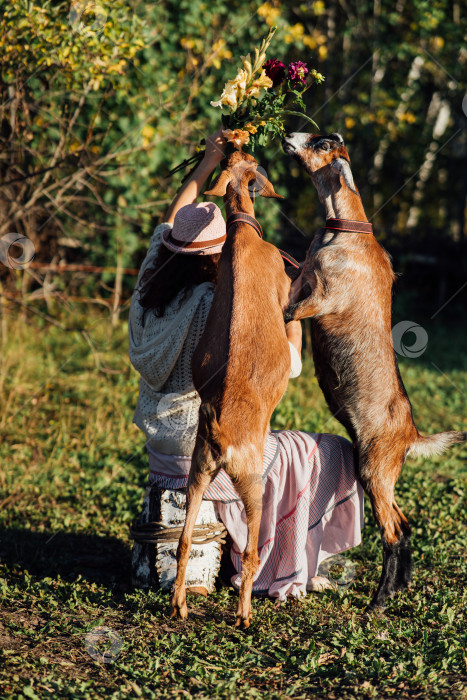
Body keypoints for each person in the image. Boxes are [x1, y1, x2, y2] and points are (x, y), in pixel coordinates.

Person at [129, 129, 364, 600]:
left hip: (160, 453)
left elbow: (172, 222)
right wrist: (288, 311)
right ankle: (272, 564)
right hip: (204, 445)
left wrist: (208, 164)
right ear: (218, 255)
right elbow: (290, 366)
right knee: (320, 452)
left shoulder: (147, 287)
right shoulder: (217, 304)